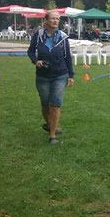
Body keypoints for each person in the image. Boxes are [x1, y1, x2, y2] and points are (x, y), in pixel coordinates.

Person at [27, 11, 74, 144]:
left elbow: (68, 57)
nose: (55, 21)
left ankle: (52, 135)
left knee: (55, 104)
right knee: (45, 105)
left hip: (60, 75)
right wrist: (36, 60)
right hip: (42, 76)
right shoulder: (38, 35)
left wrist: (71, 75)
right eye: (52, 18)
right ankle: (50, 125)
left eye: (57, 19)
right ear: (46, 21)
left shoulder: (63, 37)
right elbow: (30, 51)